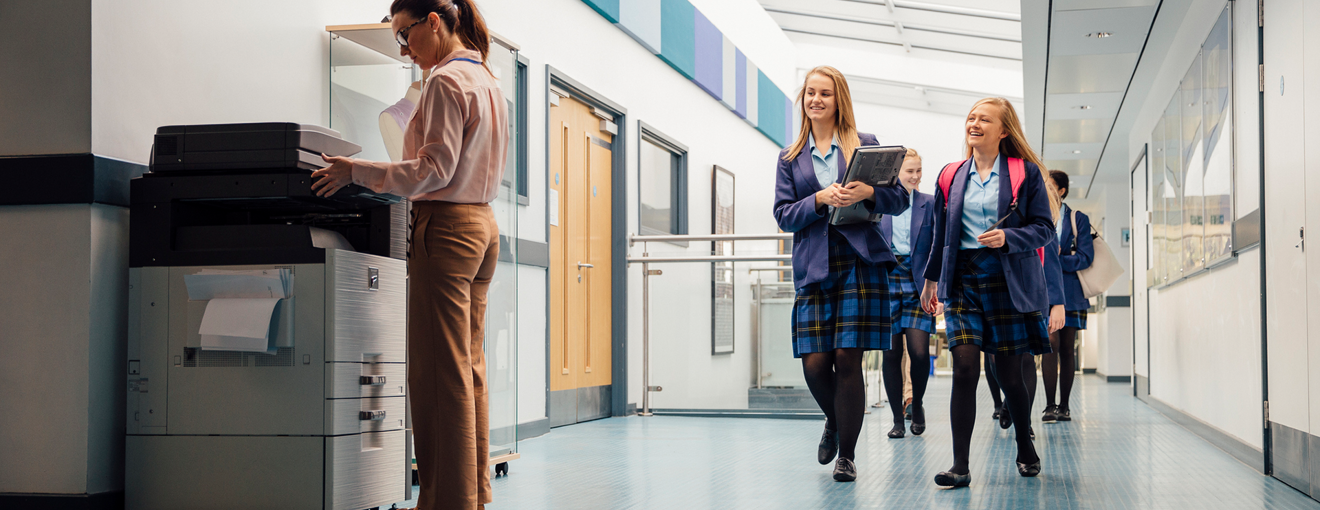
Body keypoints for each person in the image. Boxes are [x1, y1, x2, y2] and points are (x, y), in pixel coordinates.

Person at [312, 1, 507, 508]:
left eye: (406, 34)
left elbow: (432, 170)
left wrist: (357, 171)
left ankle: (446, 502)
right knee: (467, 367)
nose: (405, 47)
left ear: (435, 21)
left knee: (438, 375)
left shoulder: (445, 81)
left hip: (445, 230)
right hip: (483, 228)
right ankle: (474, 496)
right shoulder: (486, 77)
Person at [773, 65, 910, 483]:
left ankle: (846, 456)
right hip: (815, 265)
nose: (816, 100)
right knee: (815, 364)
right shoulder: (790, 158)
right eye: (810, 93)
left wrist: (870, 192)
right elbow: (783, 215)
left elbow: (899, 199)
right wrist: (817, 198)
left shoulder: (864, 146)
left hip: (860, 263)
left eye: (825, 94)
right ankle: (835, 419)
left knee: (848, 358)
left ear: (839, 100)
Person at [919, 97, 1055, 487]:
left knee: (1009, 374)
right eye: (971, 117)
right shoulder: (950, 175)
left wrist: (1009, 237)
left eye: (985, 119)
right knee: (963, 366)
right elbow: (940, 236)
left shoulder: (1023, 173)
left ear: (1003, 131)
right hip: (962, 281)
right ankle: (960, 466)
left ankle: (1025, 446)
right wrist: (931, 281)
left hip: (1006, 279)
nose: (974, 123)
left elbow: (1044, 228)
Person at [879, 148, 937, 439]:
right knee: (891, 354)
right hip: (886, 281)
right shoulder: (880, 203)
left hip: (919, 284)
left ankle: (918, 403)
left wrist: (937, 287)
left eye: (918, 171)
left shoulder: (930, 203)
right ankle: (896, 418)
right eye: (909, 171)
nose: (915, 177)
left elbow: (940, 248)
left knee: (918, 352)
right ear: (896, 174)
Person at [1042, 170, 1094, 424]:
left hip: (1071, 292)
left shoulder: (1077, 219)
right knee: (1050, 343)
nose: (1046, 191)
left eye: (1051, 187)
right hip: (1045, 291)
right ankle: (1049, 405)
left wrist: (1056, 258)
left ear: (1062, 191)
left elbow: (1086, 258)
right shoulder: (1039, 216)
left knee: (1067, 348)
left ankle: (1065, 405)